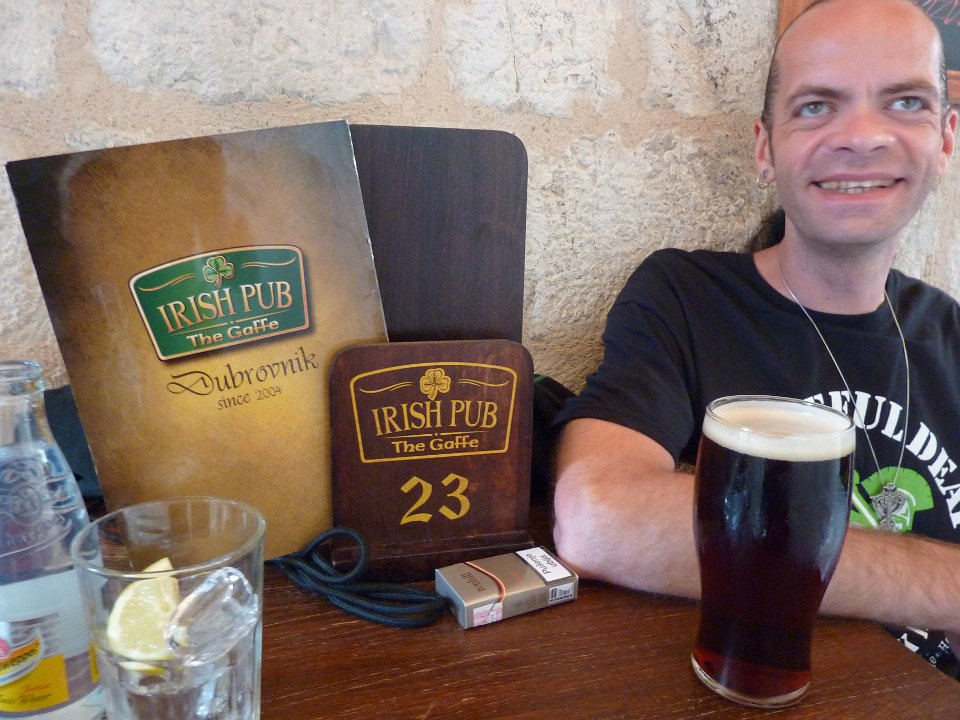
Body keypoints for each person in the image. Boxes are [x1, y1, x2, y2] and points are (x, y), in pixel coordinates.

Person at [552, 0, 960, 678]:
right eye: (815, 106)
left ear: (946, 139)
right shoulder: (687, 297)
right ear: (765, 148)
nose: (862, 136)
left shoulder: (951, 334)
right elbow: (599, 516)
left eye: (905, 103)